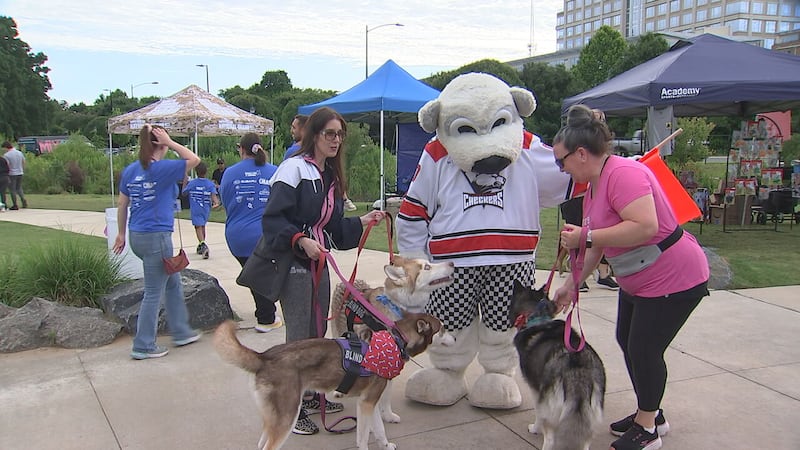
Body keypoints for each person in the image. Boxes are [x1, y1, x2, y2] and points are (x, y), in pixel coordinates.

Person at [552, 104, 709, 450]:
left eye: (560, 161)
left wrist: (586, 237)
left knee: (645, 349)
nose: (560, 168)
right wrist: (571, 285)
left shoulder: (623, 173)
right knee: (628, 341)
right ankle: (650, 413)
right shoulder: (595, 182)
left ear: (580, 153)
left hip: (674, 277)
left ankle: (648, 429)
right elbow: (596, 243)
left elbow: (645, 226)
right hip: (640, 281)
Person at [259, 106, 386, 435]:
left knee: (317, 333)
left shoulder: (329, 175)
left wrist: (362, 222)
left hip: (318, 260)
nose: (336, 139)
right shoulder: (293, 169)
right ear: (313, 135)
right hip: (294, 260)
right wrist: (300, 240)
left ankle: (313, 393)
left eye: (340, 134)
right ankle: (291, 404)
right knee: (299, 336)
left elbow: (332, 228)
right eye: (330, 133)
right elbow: (273, 219)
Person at [113, 124, 202, 360]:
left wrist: (120, 234)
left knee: (172, 282)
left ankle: (181, 331)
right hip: (157, 237)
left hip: (136, 235)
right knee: (153, 291)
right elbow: (194, 159)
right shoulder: (162, 169)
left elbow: (123, 204)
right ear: (159, 143)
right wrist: (171, 142)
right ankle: (143, 344)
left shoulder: (131, 171)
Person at [219, 132, 282, 332]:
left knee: (256, 272)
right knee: (263, 273)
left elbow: (226, 203)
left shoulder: (229, 172)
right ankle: (266, 318)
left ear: (242, 149)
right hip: (266, 234)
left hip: (236, 235)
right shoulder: (275, 171)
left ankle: (266, 313)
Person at [182, 162, 219, 259]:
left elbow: (184, 193)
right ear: (206, 172)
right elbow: (214, 196)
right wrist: (216, 203)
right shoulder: (210, 184)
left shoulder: (192, 183)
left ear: (196, 172)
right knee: (202, 226)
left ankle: (203, 245)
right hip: (206, 209)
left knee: (198, 227)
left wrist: (185, 181)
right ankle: (201, 244)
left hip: (196, 208)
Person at [2, 141, 27, 210]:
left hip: (12, 173)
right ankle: (23, 199)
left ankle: (15, 204)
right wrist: (22, 169)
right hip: (20, 172)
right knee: (19, 188)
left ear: (6, 147)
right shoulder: (19, 153)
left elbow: (7, 165)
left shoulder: (7, 155)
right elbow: (23, 162)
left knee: (12, 189)